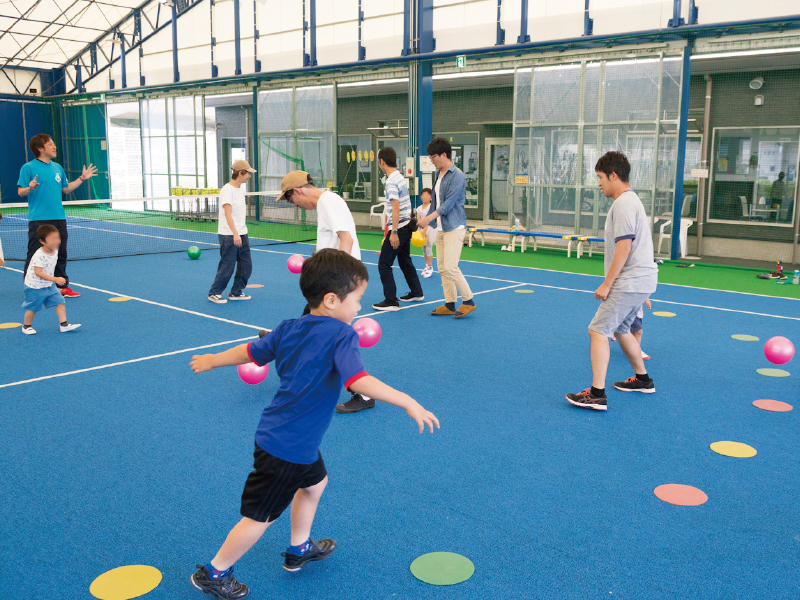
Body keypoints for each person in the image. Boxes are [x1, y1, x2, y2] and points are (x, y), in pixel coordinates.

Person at [188, 249, 439, 600]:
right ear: (332, 300)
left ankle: (299, 548)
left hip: (289, 438)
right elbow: (359, 380)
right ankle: (215, 573)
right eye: (358, 300)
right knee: (259, 518)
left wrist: (214, 360)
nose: (360, 308)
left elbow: (251, 351)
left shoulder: (289, 328)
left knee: (316, 484)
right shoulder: (342, 335)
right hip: (287, 448)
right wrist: (408, 401)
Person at [566, 151, 657, 411]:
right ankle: (642, 379)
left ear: (614, 175)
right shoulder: (631, 201)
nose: (599, 183)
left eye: (601, 177)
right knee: (621, 329)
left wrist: (607, 284)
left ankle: (596, 394)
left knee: (597, 330)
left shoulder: (624, 204)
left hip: (630, 281)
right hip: (641, 280)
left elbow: (624, 247)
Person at [278, 170, 372, 414]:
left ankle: (364, 394)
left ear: (298, 191)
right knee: (309, 326)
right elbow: (335, 242)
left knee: (335, 340)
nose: (295, 205)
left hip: (338, 284)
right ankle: (286, 343)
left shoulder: (328, 201)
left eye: (291, 200)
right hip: (332, 282)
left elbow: (346, 240)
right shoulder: (327, 203)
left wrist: (338, 285)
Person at [18, 134, 98, 298]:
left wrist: (82, 178)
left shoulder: (58, 168)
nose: (54, 147)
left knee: (60, 253)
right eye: (50, 144)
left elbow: (66, 189)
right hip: (39, 219)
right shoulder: (28, 168)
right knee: (35, 253)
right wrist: (30, 187)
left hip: (59, 218)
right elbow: (21, 192)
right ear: (40, 148)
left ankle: (62, 286)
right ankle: (31, 287)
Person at [416, 137, 476, 318]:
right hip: (440, 227)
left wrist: (427, 219)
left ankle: (468, 300)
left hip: (455, 227)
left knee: (451, 267)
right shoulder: (438, 174)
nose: (431, 160)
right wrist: (429, 221)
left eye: (433, 156)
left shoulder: (458, 175)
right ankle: (450, 303)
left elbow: (448, 204)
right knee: (442, 267)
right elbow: (436, 201)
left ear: (444, 154)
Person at [372, 147, 424, 311]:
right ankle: (417, 292)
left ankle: (391, 301)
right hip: (407, 226)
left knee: (384, 264)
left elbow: (395, 208)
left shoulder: (391, 181)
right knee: (404, 260)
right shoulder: (400, 177)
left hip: (399, 228)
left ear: (381, 162)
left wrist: (393, 232)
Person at [208, 160, 256, 304]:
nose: (249, 176)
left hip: (242, 232)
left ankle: (236, 291)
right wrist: (235, 233)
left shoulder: (240, 189)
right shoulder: (227, 190)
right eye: (248, 173)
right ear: (240, 173)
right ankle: (214, 292)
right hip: (229, 234)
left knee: (246, 265)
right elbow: (228, 214)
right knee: (227, 265)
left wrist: (240, 232)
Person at [21, 224, 81, 335]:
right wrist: (55, 279)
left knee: (60, 302)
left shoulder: (55, 250)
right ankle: (26, 326)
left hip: (49, 285)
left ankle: (64, 325)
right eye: (53, 239)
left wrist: (53, 280)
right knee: (33, 308)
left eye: (58, 238)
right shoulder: (39, 255)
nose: (57, 241)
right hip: (35, 286)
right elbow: (38, 272)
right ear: (42, 241)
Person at [416, 188, 436, 278]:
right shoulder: (419, 208)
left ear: (431, 198)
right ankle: (427, 266)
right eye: (423, 195)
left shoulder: (431, 207)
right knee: (424, 248)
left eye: (427, 195)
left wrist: (425, 230)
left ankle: (430, 267)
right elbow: (419, 220)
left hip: (430, 229)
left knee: (428, 247)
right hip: (422, 229)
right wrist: (418, 230)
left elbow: (429, 220)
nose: (425, 197)